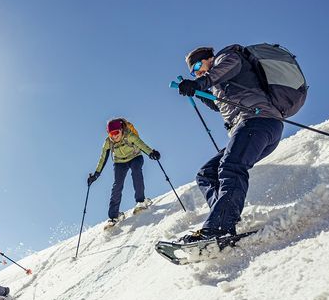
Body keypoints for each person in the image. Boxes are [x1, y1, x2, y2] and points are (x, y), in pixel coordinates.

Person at [176, 45, 284, 242]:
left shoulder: (228, 58)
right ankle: (226, 218)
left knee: (230, 168)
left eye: (198, 65)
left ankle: (219, 226)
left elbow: (217, 73)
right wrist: (197, 91)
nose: (198, 70)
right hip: (248, 130)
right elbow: (217, 104)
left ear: (209, 58)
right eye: (193, 70)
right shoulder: (219, 83)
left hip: (260, 122)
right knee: (206, 173)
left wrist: (198, 83)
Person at [87, 118, 161, 226]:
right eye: (111, 134)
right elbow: (103, 158)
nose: (115, 136)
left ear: (121, 130)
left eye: (116, 132)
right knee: (117, 185)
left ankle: (141, 201)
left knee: (136, 172)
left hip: (135, 157)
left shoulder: (129, 135)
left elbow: (141, 144)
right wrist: (96, 174)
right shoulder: (108, 142)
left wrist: (151, 153)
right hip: (120, 162)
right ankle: (114, 216)